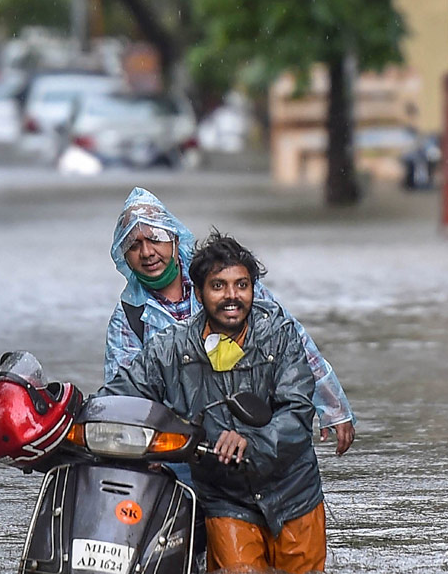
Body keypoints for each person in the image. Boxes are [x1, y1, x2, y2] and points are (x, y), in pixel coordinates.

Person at [102, 231, 327, 574]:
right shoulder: (170, 349)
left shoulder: (279, 335)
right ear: (199, 292)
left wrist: (251, 442)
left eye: (242, 285)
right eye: (218, 286)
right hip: (224, 498)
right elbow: (119, 396)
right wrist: (65, 415)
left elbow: (297, 413)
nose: (232, 296)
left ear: (253, 289)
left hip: (293, 492)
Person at [104, 187, 355, 455]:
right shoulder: (128, 317)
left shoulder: (229, 282)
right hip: (181, 446)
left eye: (155, 239)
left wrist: (333, 407)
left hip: (253, 430)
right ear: (124, 257)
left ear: (175, 241)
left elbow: (295, 347)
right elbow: (124, 396)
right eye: (134, 245)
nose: (147, 252)